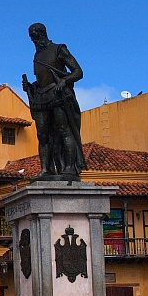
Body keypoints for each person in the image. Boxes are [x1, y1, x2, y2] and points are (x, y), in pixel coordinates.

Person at [22, 23, 86, 179]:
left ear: (42, 34)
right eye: (31, 37)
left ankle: (69, 168)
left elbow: (78, 72)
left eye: (34, 36)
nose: (33, 40)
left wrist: (64, 81)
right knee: (42, 135)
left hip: (58, 95)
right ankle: (46, 169)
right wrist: (30, 87)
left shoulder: (59, 49)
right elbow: (42, 79)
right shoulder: (37, 56)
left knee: (64, 131)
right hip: (41, 97)